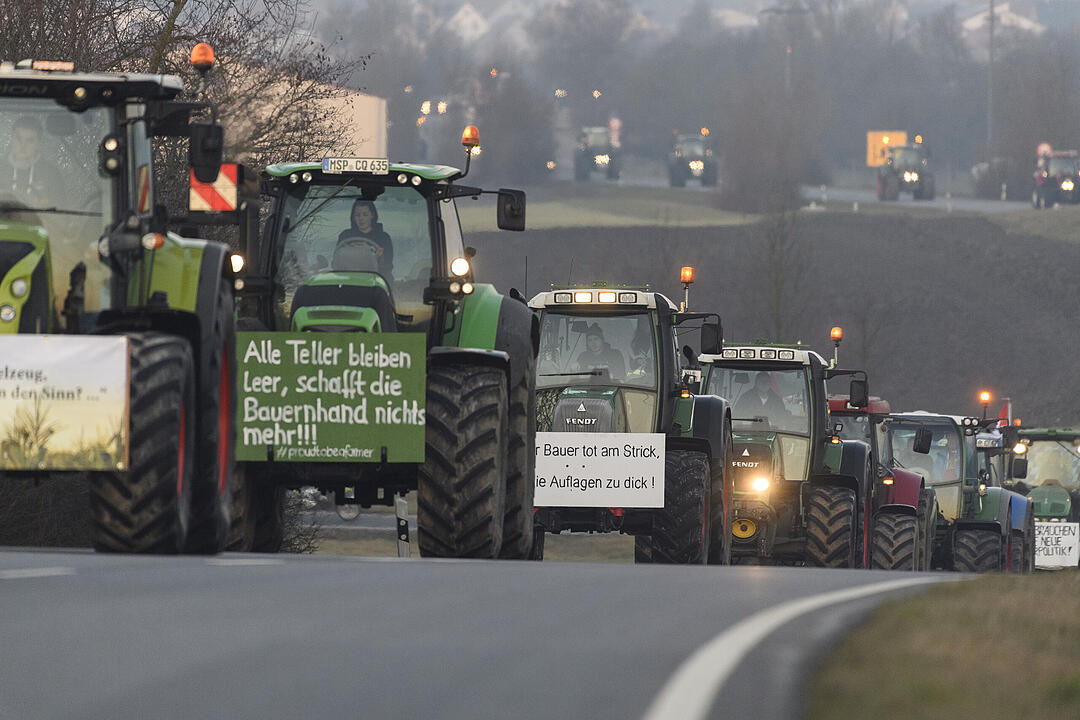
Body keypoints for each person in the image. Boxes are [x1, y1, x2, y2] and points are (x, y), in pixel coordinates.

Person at [0, 115, 61, 208]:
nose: (23, 145)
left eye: (30, 140)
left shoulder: (51, 175)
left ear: (38, 144)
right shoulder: (1, 170)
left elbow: (61, 211)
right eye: (18, 138)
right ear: (11, 139)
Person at [334, 198, 393, 277]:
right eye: (357, 215)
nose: (361, 218)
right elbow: (336, 262)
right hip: (348, 279)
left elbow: (387, 264)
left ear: (372, 215)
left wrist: (369, 252)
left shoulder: (383, 238)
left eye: (365, 215)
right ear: (353, 217)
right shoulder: (345, 236)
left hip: (377, 279)